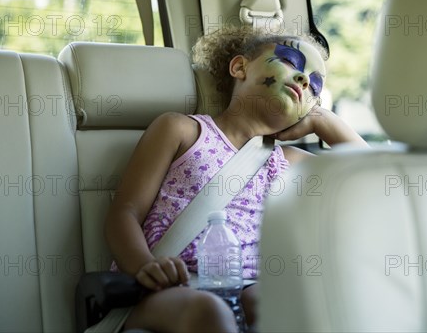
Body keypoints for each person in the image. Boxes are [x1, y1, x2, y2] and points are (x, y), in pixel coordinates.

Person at [105, 26, 368, 332]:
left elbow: (372, 180)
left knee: (278, 304)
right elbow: (124, 213)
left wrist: (325, 122)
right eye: (291, 62)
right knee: (208, 311)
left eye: (315, 87)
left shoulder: (290, 163)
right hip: (164, 291)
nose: (304, 81)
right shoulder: (182, 131)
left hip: (247, 290)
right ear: (239, 67)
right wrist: (144, 266)